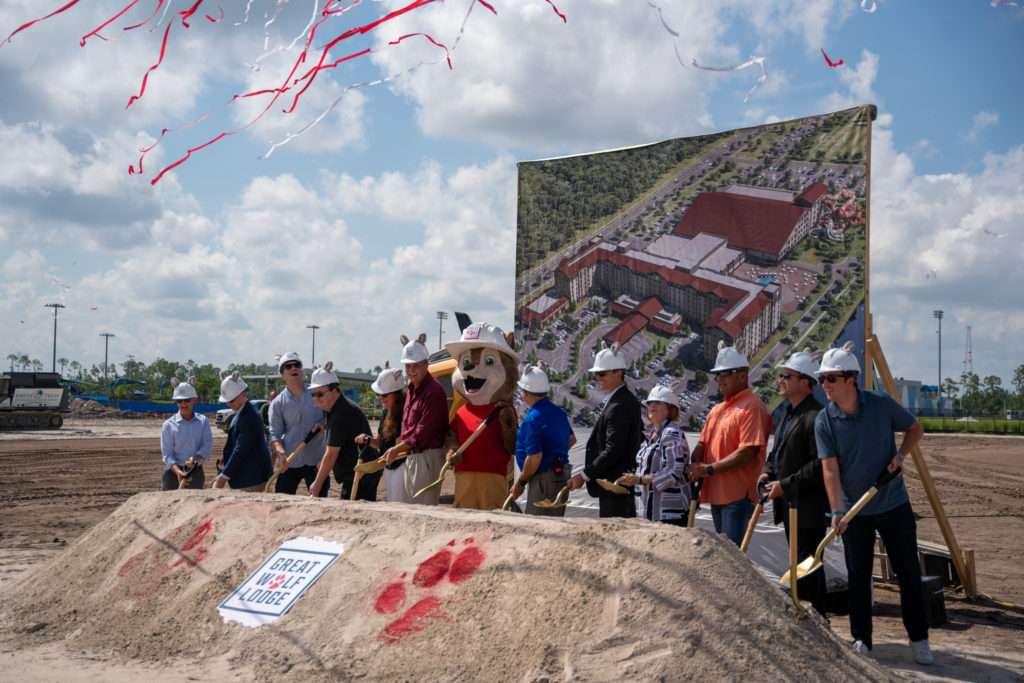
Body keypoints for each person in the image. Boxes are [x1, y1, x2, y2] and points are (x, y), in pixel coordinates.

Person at [814, 342, 933, 664]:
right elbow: (830, 469)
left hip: (893, 503)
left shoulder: (880, 405)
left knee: (908, 573)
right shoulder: (825, 420)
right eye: (821, 379)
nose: (824, 385)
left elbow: (914, 428)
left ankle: (919, 639)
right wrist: (838, 510)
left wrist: (900, 455)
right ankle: (862, 639)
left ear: (850, 379)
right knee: (858, 576)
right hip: (855, 512)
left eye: (830, 379)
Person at [759, 350, 828, 615]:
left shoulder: (815, 417)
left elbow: (819, 465)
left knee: (808, 563)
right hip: (790, 506)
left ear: (805, 381)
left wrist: (785, 485)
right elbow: (776, 454)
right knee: (799, 561)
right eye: (781, 376)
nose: (781, 380)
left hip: (807, 507)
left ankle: (817, 616)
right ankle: (806, 611)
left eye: (787, 376)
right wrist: (766, 473)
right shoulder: (788, 415)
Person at [686, 341, 769, 546]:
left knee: (734, 557)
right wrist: (696, 460)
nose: (719, 379)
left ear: (742, 375)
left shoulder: (752, 406)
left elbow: (747, 451)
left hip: (738, 497)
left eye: (725, 374)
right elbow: (703, 443)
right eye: (718, 374)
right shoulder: (718, 409)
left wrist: (709, 469)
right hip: (717, 494)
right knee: (727, 557)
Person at [567, 343, 643, 518]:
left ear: (618, 372)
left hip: (615, 484)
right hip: (614, 484)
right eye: (596, 374)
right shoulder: (620, 400)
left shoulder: (620, 405)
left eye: (602, 374)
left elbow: (613, 449)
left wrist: (584, 475)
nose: (597, 379)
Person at [382, 334, 448, 505]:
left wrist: (398, 448)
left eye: (416, 365)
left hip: (426, 457)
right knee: (411, 506)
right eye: (408, 366)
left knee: (422, 508)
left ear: (426, 364)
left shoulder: (433, 391)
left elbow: (423, 433)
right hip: (413, 456)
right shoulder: (412, 388)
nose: (411, 370)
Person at [619, 386, 690, 525]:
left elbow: (673, 471)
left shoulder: (671, 434)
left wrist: (640, 480)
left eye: (657, 403)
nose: (652, 406)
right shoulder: (651, 435)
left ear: (670, 409)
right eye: (649, 403)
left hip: (668, 514)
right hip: (649, 511)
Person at [512, 365, 575, 516]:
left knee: (538, 524)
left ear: (525, 392)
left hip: (544, 479)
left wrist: (521, 483)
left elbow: (534, 457)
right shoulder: (558, 412)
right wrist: (555, 455)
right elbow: (571, 439)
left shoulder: (533, 419)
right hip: (560, 475)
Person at [307, 362, 374, 500]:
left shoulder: (341, 413)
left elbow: (331, 454)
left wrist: (316, 485)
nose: (316, 399)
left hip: (361, 475)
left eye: (320, 394)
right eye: (312, 395)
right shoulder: (335, 408)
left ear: (335, 390)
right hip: (359, 472)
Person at [268, 352, 328, 496]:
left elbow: (331, 416)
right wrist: (280, 452)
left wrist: (323, 423)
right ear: (282, 374)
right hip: (289, 462)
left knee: (320, 503)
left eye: (297, 365)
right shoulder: (277, 404)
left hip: (316, 461)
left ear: (302, 370)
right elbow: (275, 434)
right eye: (288, 366)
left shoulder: (317, 394)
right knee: (282, 501)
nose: (293, 368)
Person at [212, 371, 273, 491]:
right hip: (246, 479)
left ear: (242, 394)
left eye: (231, 401)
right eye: (227, 401)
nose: (229, 404)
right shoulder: (240, 414)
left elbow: (241, 450)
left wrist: (223, 476)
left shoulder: (250, 416)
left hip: (252, 480)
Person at [356, 364, 405, 501]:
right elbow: (379, 443)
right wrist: (367, 439)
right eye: (379, 395)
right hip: (388, 468)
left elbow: (399, 451)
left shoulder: (404, 414)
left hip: (401, 468)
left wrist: (370, 467)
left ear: (396, 394)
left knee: (398, 504)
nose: (380, 398)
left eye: (384, 395)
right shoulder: (385, 413)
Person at [159, 377, 212, 490]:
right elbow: (167, 455)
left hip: (196, 473)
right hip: (172, 474)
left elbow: (207, 446)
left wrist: (195, 458)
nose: (183, 404)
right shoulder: (168, 425)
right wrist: (178, 472)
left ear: (194, 399)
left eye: (187, 400)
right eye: (179, 401)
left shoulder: (203, 422)